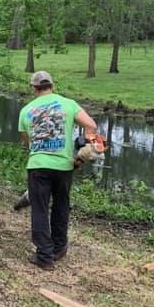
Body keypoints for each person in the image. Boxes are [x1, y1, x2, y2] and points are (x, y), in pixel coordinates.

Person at [17, 71, 98, 269]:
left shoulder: (26, 110)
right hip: (65, 165)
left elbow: (27, 142)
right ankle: (59, 248)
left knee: (40, 209)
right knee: (61, 205)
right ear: (52, 86)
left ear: (34, 88)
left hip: (38, 165)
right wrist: (84, 149)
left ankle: (44, 256)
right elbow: (91, 125)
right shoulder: (68, 103)